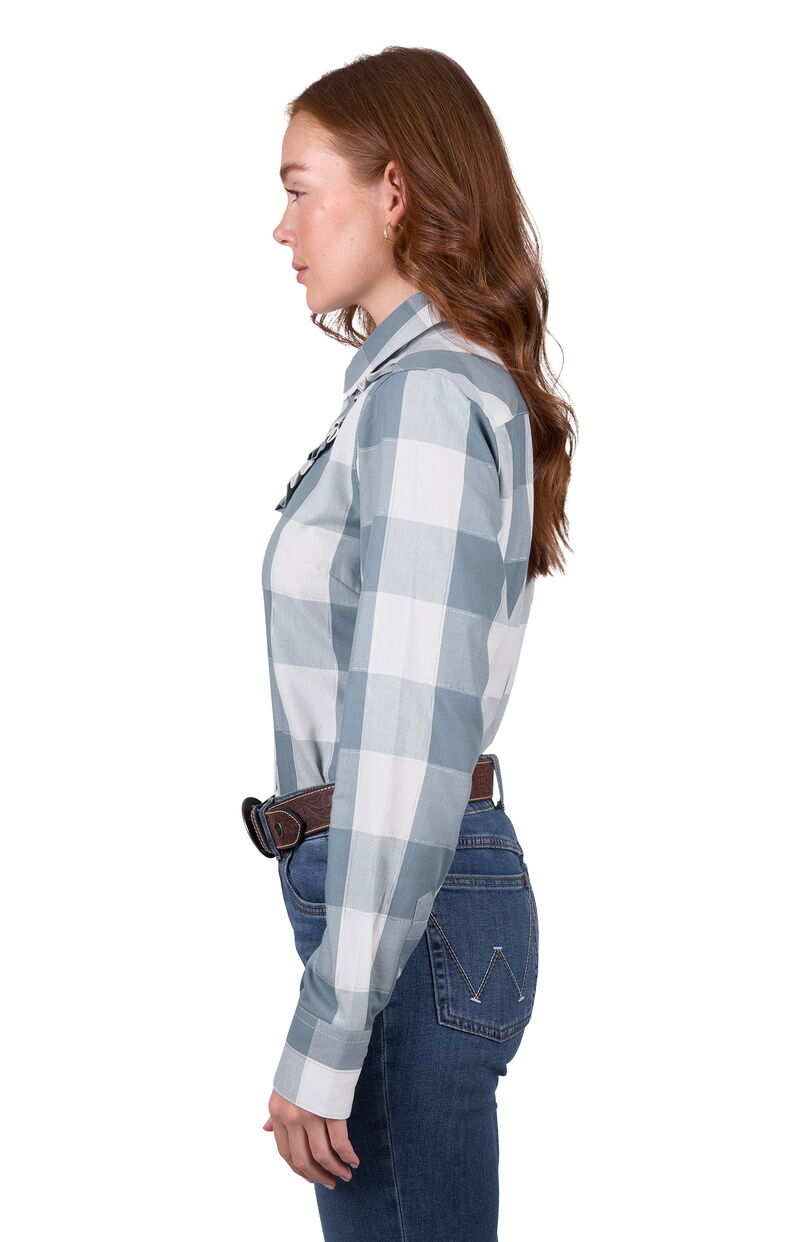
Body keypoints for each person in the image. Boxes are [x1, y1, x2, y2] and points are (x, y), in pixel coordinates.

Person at [244, 45, 576, 1242]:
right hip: (411, 900)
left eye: (300, 189)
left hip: (403, 900)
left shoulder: (425, 399)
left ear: (393, 190)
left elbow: (402, 736)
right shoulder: (416, 387)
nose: (281, 229)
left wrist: (330, 1027)